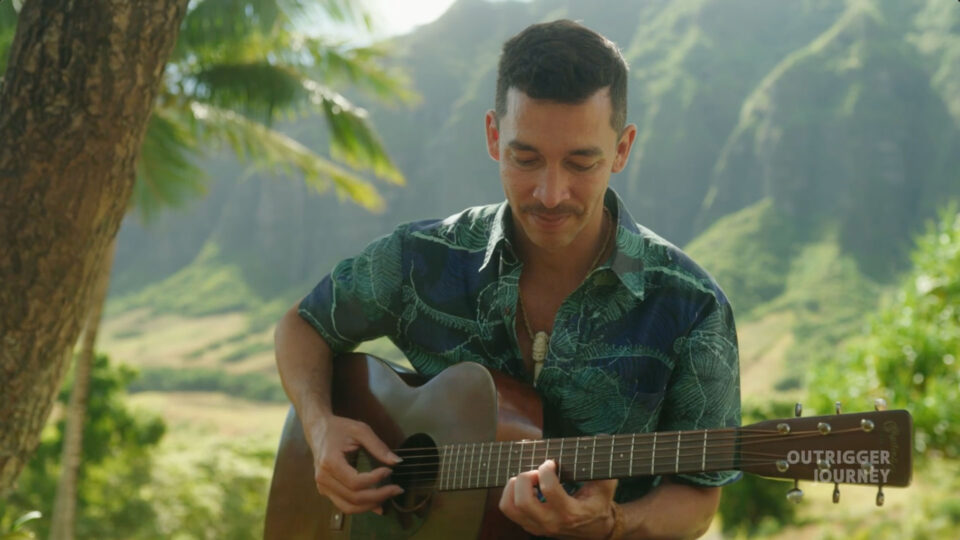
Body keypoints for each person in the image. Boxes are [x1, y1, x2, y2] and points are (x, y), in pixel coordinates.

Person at [275, 19, 740, 539]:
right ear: (494, 136)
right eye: (526, 158)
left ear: (623, 149)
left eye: (581, 162)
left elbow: (700, 496)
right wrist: (319, 428)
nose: (550, 193)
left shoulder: (691, 309)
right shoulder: (420, 258)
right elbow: (302, 325)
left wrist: (614, 523)